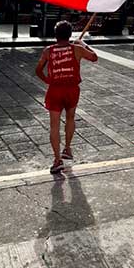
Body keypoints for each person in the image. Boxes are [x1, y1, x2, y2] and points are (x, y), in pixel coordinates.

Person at [35, 21, 98, 174]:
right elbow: (94, 57)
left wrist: (47, 80)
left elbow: (38, 70)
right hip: (71, 89)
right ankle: (67, 148)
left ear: (55, 35)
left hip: (55, 89)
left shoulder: (48, 51)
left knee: (54, 125)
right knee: (70, 118)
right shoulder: (77, 49)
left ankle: (57, 160)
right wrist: (83, 44)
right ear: (70, 34)